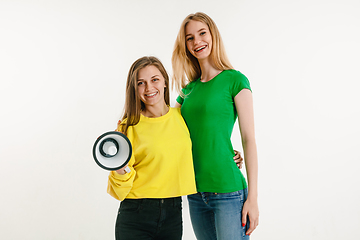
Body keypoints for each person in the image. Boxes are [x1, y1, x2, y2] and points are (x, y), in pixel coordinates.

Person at [106, 56, 243, 240]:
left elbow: (204, 138)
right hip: (135, 214)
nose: (149, 88)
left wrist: (227, 153)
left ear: (164, 81)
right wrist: (119, 166)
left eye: (154, 79)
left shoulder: (181, 117)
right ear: (134, 88)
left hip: (172, 214)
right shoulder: (127, 127)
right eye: (141, 83)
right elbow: (119, 192)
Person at [172, 12, 259, 239]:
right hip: (195, 192)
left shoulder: (235, 80)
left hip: (228, 192)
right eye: (190, 38)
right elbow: (168, 128)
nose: (197, 42)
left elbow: (249, 139)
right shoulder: (187, 91)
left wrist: (253, 198)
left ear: (213, 35)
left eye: (202, 33)